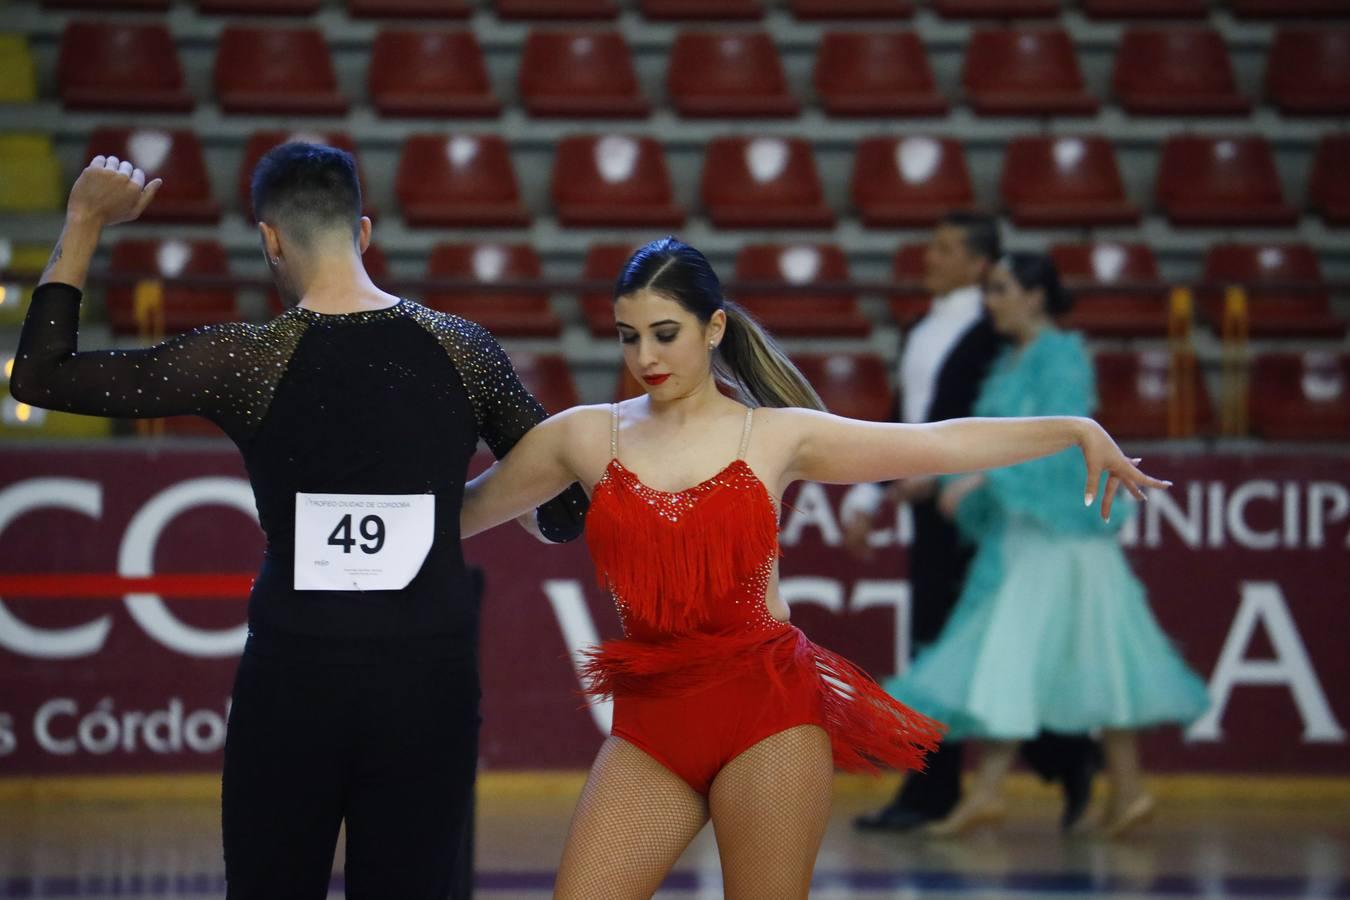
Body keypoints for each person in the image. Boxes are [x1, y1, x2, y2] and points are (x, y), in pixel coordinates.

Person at [458, 237, 1168, 898]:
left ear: (713, 330)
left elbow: (935, 444)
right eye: (628, 335)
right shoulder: (584, 436)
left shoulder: (775, 435)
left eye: (665, 333)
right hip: (652, 723)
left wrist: (1076, 429)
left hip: (766, 715)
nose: (646, 355)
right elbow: (454, 515)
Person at [9, 146, 587, 899]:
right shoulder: (463, 348)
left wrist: (85, 219)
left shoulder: (244, 359)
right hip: (428, 686)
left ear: (270, 240)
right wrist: (460, 514)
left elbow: (41, 376)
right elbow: (567, 510)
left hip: (294, 683)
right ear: (365, 231)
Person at [886, 253, 1210, 838]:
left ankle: (1005, 792)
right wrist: (953, 476)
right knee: (1064, 659)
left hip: (1061, 542)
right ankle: (1119, 791)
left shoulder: (1059, 357)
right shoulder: (1012, 364)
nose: (990, 300)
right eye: (989, 288)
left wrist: (986, 479)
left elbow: (1069, 444)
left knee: (1063, 659)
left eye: (1001, 288)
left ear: (1035, 296)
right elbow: (993, 441)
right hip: (1029, 540)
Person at [849, 212, 1103, 833]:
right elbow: (903, 416)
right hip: (937, 508)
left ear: (980, 263)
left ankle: (1057, 758)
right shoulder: (921, 329)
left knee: (979, 645)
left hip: (980, 509)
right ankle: (954, 785)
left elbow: (999, 421)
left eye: (943, 249)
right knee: (945, 645)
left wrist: (944, 476)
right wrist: (866, 494)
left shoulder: (996, 333)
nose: (927, 258)